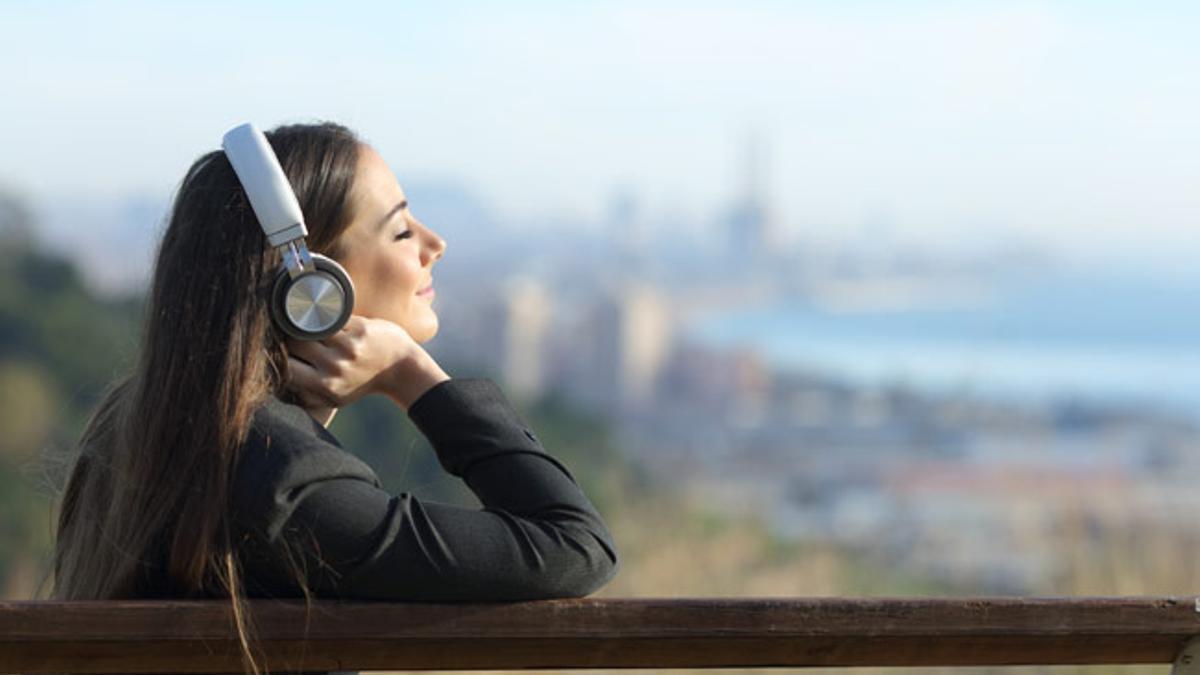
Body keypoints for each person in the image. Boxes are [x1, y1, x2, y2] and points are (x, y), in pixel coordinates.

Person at [49, 122, 620, 675]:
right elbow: (574, 545)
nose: (435, 244)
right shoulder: (284, 483)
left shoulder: (136, 424)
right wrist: (411, 374)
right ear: (311, 287)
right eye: (401, 232)